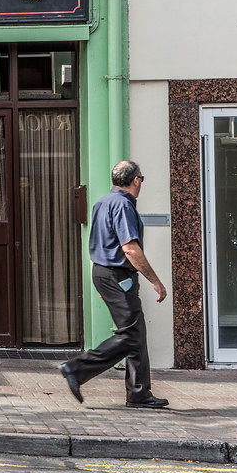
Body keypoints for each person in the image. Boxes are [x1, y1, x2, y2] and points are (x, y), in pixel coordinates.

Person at [59, 161, 169, 409]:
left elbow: (102, 242)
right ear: (136, 180)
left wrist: (106, 284)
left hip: (106, 274)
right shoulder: (123, 205)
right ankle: (76, 368)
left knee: (136, 333)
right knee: (131, 335)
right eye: (141, 178)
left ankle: (139, 393)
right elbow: (129, 248)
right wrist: (156, 281)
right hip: (118, 275)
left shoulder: (103, 201)